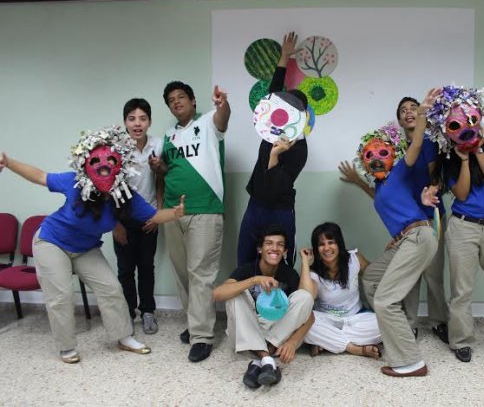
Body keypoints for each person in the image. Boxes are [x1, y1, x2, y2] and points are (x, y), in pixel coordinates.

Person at [0, 126, 185, 364]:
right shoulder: (75, 183)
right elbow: (39, 176)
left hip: (85, 248)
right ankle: (66, 347)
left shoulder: (125, 195)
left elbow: (153, 215)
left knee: (111, 288)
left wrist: (176, 213)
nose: (104, 165)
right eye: (97, 160)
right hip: (51, 242)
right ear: (87, 163)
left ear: (120, 164)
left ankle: (123, 337)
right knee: (61, 296)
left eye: (110, 160)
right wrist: (9, 162)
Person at [338, 96, 449, 344]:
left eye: (413, 109)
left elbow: (434, 174)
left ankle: (439, 321)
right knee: (407, 278)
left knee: (432, 275)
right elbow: (385, 196)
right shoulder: (393, 162)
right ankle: (408, 324)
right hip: (407, 227)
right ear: (398, 119)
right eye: (404, 110)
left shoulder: (425, 146)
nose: (409, 112)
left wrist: (430, 192)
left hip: (428, 217)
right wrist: (358, 180)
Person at [425, 86, 484, 363]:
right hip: (463, 227)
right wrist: (463, 160)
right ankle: (461, 341)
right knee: (461, 289)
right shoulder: (449, 158)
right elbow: (462, 194)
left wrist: (477, 151)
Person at [355, 89, 441, 377]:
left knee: (385, 300)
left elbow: (416, 144)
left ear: (393, 155)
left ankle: (411, 362)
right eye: (370, 155)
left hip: (419, 236)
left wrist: (422, 114)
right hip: (406, 238)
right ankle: (393, 330)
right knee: (371, 279)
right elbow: (392, 207)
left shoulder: (400, 171)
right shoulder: (381, 187)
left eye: (382, 152)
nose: (376, 158)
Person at [156, 80, 231, 363]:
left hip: (206, 209)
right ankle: (194, 322)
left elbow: (223, 119)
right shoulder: (168, 136)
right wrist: (158, 167)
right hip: (174, 212)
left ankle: (202, 336)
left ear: (193, 101)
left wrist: (223, 105)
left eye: (181, 97)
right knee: (182, 272)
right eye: (171, 100)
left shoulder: (209, 122)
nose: (177, 102)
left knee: (201, 273)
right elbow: (168, 169)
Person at [237, 31, 308, 267]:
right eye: (284, 106)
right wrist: (284, 58)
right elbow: (273, 91)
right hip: (256, 204)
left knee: (283, 262)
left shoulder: (300, 149)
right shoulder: (269, 131)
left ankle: (283, 301)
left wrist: (275, 155)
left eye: (294, 110)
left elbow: (274, 185)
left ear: (302, 117)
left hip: (280, 209)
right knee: (246, 256)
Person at [213, 224, 314, 389]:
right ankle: (268, 359)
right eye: (269, 243)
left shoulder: (288, 274)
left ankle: (260, 361)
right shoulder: (247, 270)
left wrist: (293, 343)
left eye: (280, 244)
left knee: (305, 296)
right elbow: (217, 294)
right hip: (245, 331)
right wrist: (254, 280)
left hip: (275, 333)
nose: (274, 248)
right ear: (260, 249)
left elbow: (310, 315)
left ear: (285, 252)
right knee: (234, 293)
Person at [113, 98, 163, 335]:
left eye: (142, 118)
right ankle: (127, 312)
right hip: (123, 220)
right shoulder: (115, 150)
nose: (137, 123)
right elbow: (107, 188)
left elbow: (162, 181)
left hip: (150, 218)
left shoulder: (158, 145)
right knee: (125, 270)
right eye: (132, 118)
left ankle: (148, 312)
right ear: (125, 122)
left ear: (149, 122)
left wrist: (159, 215)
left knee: (146, 267)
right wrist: (115, 224)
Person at [299, 222, 382, 358]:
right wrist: (304, 263)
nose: (326, 248)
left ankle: (326, 342)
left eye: (331, 242)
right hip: (326, 319)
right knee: (303, 322)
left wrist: (389, 252)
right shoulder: (313, 273)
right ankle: (355, 348)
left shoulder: (354, 260)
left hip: (356, 318)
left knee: (384, 324)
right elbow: (305, 298)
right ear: (316, 249)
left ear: (339, 244)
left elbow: (375, 275)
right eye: (321, 244)